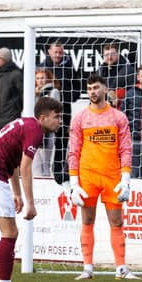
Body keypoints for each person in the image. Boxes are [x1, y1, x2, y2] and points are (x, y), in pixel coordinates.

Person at [0, 95, 62, 282]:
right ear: (43, 117)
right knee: (10, 232)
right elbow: (26, 168)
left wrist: (17, 193)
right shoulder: (35, 131)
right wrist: (30, 203)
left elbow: (13, 163)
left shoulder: (25, 125)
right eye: (56, 116)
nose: (59, 121)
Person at [69, 74, 140, 280]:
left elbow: (126, 149)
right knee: (87, 220)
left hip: (112, 177)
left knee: (116, 222)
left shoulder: (118, 117)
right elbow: (74, 151)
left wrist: (126, 178)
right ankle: (87, 268)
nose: (92, 91)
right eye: (89, 88)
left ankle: (121, 268)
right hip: (88, 177)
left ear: (105, 89)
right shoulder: (80, 118)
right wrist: (74, 182)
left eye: (96, 87)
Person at [38, 40, 81, 185]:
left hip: (64, 111)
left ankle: (58, 172)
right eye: (55, 52)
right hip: (46, 113)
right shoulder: (42, 68)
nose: (58, 55)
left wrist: (65, 99)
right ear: (49, 52)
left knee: (62, 141)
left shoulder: (69, 67)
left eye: (60, 52)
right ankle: (42, 172)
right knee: (44, 142)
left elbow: (77, 88)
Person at [33, 68, 61, 176]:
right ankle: (37, 183)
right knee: (35, 160)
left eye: (42, 78)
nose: (40, 81)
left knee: (45, 160)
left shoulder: (53, 91)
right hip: (35, 129)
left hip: (47, 130)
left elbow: (55, 109)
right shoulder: (33, 92)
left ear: (48, 79)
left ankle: (46, 182)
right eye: (38, 78)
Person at [0, 47, 23, 131]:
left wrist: (15, 107)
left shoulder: (16, 74)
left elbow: (22, 94)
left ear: (6, 60)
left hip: (12, 118)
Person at [98, 42, 134, 109]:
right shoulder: (100, 71)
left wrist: (118, 95)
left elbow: (134, 93)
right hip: (103, 110)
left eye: (112, 54)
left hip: (122, 110)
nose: (109, 57)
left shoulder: (128, 70)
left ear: (118, 54)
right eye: (106, 54)